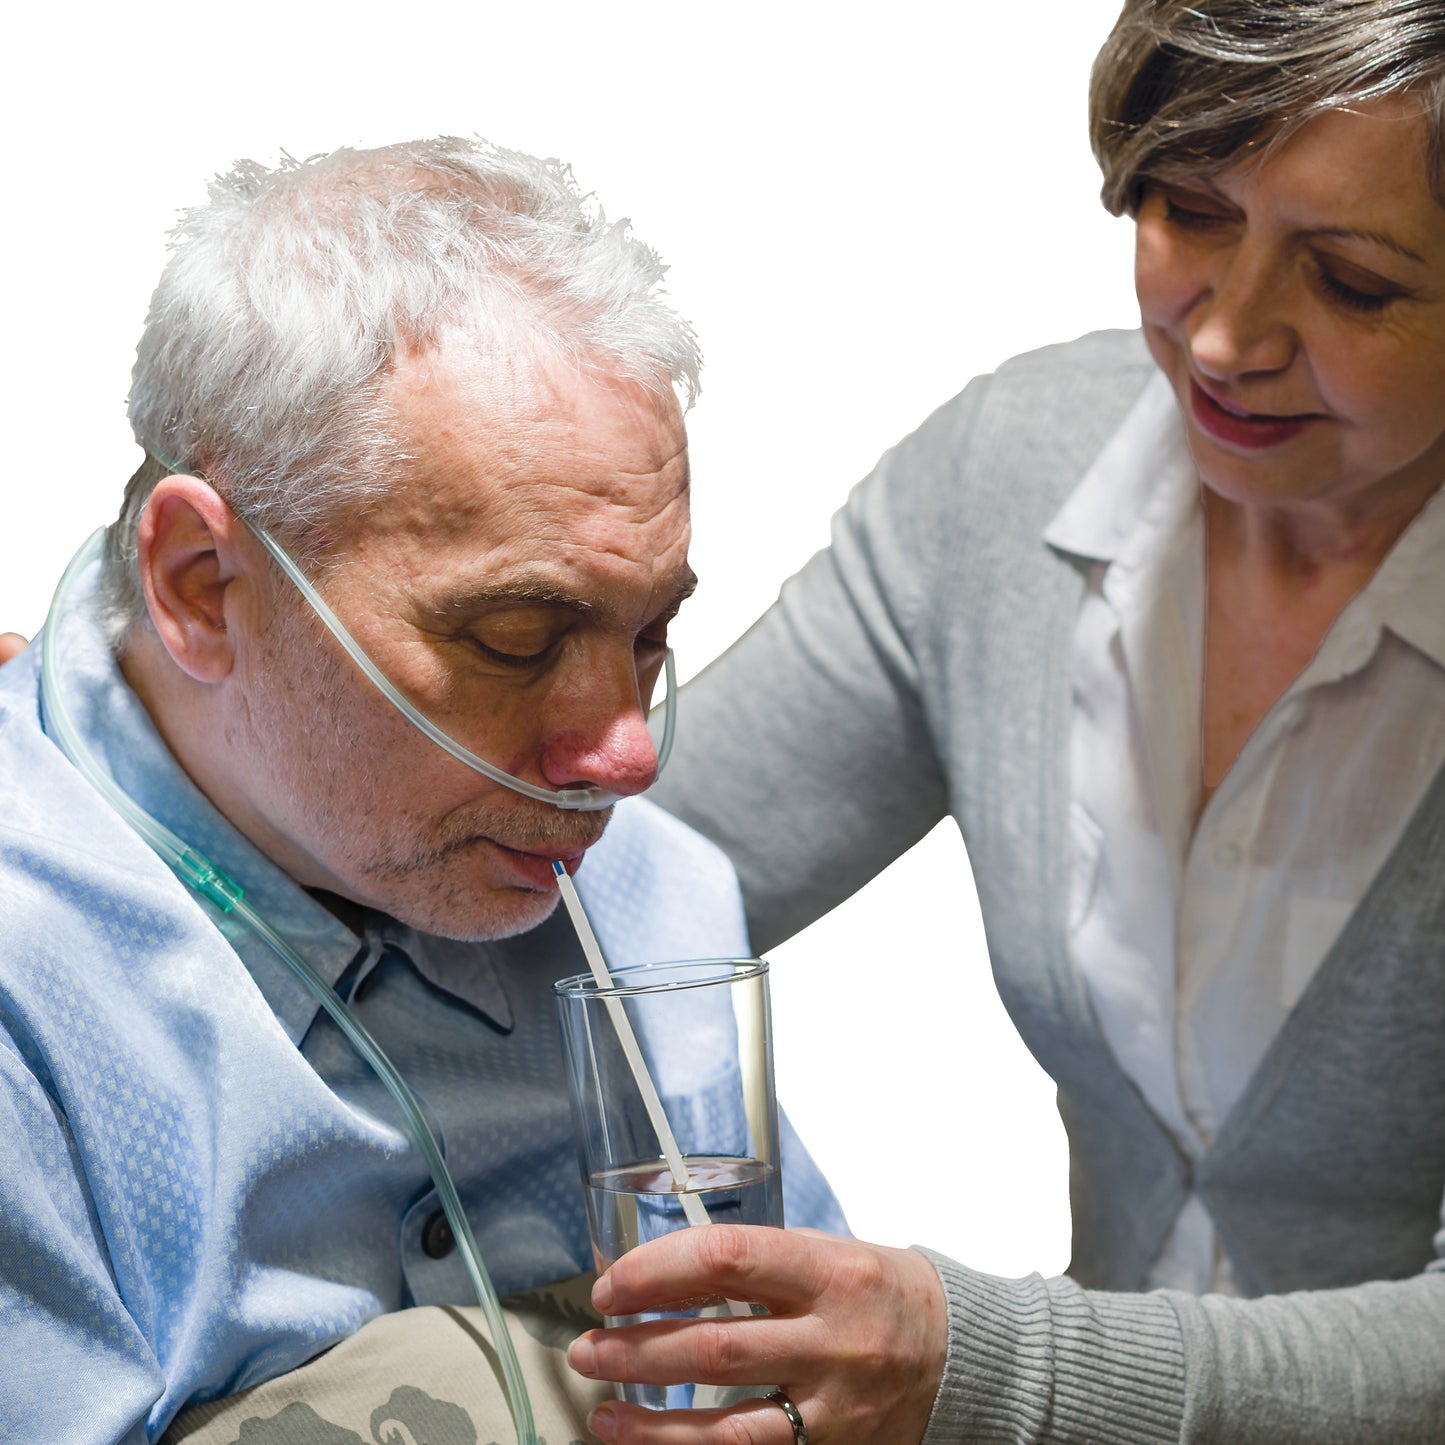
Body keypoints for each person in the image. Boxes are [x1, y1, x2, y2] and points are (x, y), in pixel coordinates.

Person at [566, 1, 1445, 1441]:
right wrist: (139, 722)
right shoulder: (1009, 485)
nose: (1224, 333)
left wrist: (982, 1367)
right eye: (1185, 211)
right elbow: (602, 876)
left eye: (1348, 281)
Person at [0, 138, 844, 1444]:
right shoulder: (26, 986)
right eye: (515, 636)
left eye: (648, 638)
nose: (628, 756)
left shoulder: (658, 896)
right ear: (199, 584)